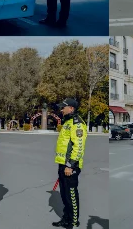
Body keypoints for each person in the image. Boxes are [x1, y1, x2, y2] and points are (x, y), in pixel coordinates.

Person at [52, 98, 88, 228]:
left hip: (70, 166)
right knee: (64, 195)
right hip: (63, 164)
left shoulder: (77, 124)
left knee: (71, 195)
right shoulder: (69, 122)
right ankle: (66, 218)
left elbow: (79, 147)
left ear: (71, 108)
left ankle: (73, 222)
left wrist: (70, 165)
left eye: (63, 107)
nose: (61, 109)